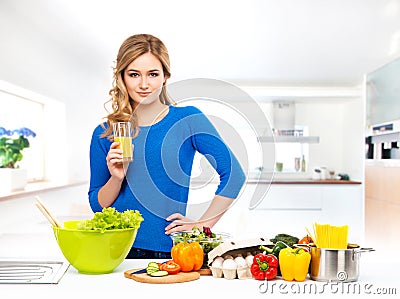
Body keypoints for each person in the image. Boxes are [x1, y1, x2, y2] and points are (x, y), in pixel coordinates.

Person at [88, 34, 246, 259]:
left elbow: (234, 176)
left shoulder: (188, 120)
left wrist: (202, 225)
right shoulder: (106, 132)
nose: (144, 84)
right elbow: (98, 205)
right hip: (114, 251)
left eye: (153, 74)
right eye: (134, 74)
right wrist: (116, 178)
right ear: (122, 77)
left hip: (168, 252)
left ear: (165, 77)